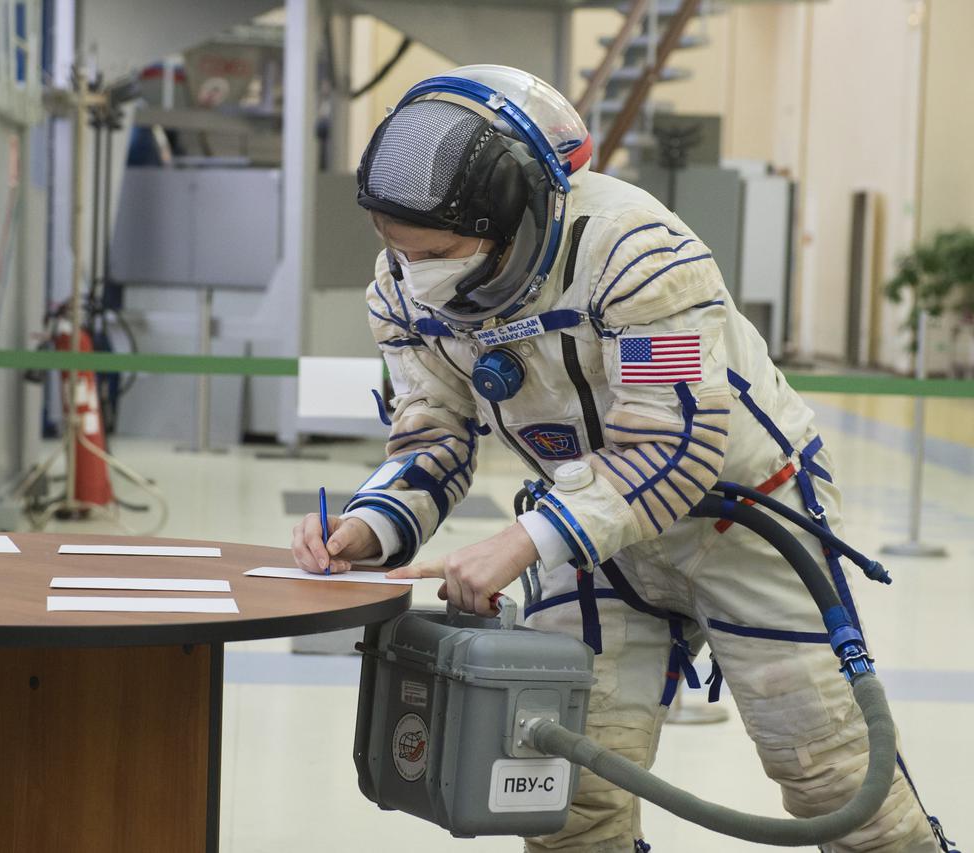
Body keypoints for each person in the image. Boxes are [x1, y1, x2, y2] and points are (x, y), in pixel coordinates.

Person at [289, 65, 950, 853]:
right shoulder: (400, 288)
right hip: (589, 535)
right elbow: (432, 429)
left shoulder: (637, 255)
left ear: (517, 217)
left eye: (439, 251)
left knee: (834, 781)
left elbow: (673, 444)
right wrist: (368, 525)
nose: (416, 275)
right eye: (397, 249)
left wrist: (521, 543)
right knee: (559, 792)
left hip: (743, 519)